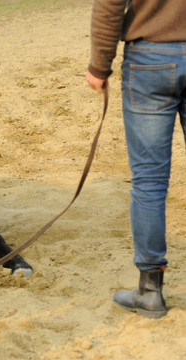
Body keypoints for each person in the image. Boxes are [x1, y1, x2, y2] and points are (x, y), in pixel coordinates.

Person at [86, 0, 186, 319]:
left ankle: (150, 291)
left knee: (149, 183)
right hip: (151, 56)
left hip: (150, 59)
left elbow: (110, 3)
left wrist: (99, 66)